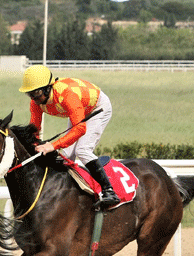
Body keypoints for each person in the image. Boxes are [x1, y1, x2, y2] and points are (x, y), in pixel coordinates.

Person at [19, 65, 120, 209]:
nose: (34, 98)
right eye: (30, 94)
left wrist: (52, 145)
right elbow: (34, 128)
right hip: (78, 109)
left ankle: (109, 191)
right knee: (65, 156)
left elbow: (80, 128)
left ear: (48, 88)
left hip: (97, 108)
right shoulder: (36, 102)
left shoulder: (66, 95)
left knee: (82, 150)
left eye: (37, 93)